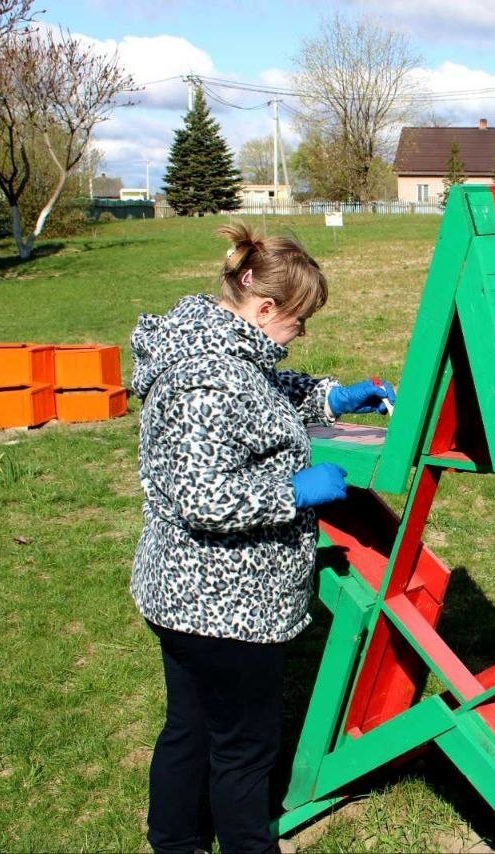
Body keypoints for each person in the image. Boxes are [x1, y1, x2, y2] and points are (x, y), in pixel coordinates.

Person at [129, 222, 395, 854]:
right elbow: (206, 497)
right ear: (266, 308)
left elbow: (270, 396)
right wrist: (295, 493)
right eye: (298, 323)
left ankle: (174, 842)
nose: (299, 335)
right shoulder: (206, 376)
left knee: (191, 729)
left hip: (185, 593)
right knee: (244, 749)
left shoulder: (221, 351)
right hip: (224, 601)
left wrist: (339, 397)